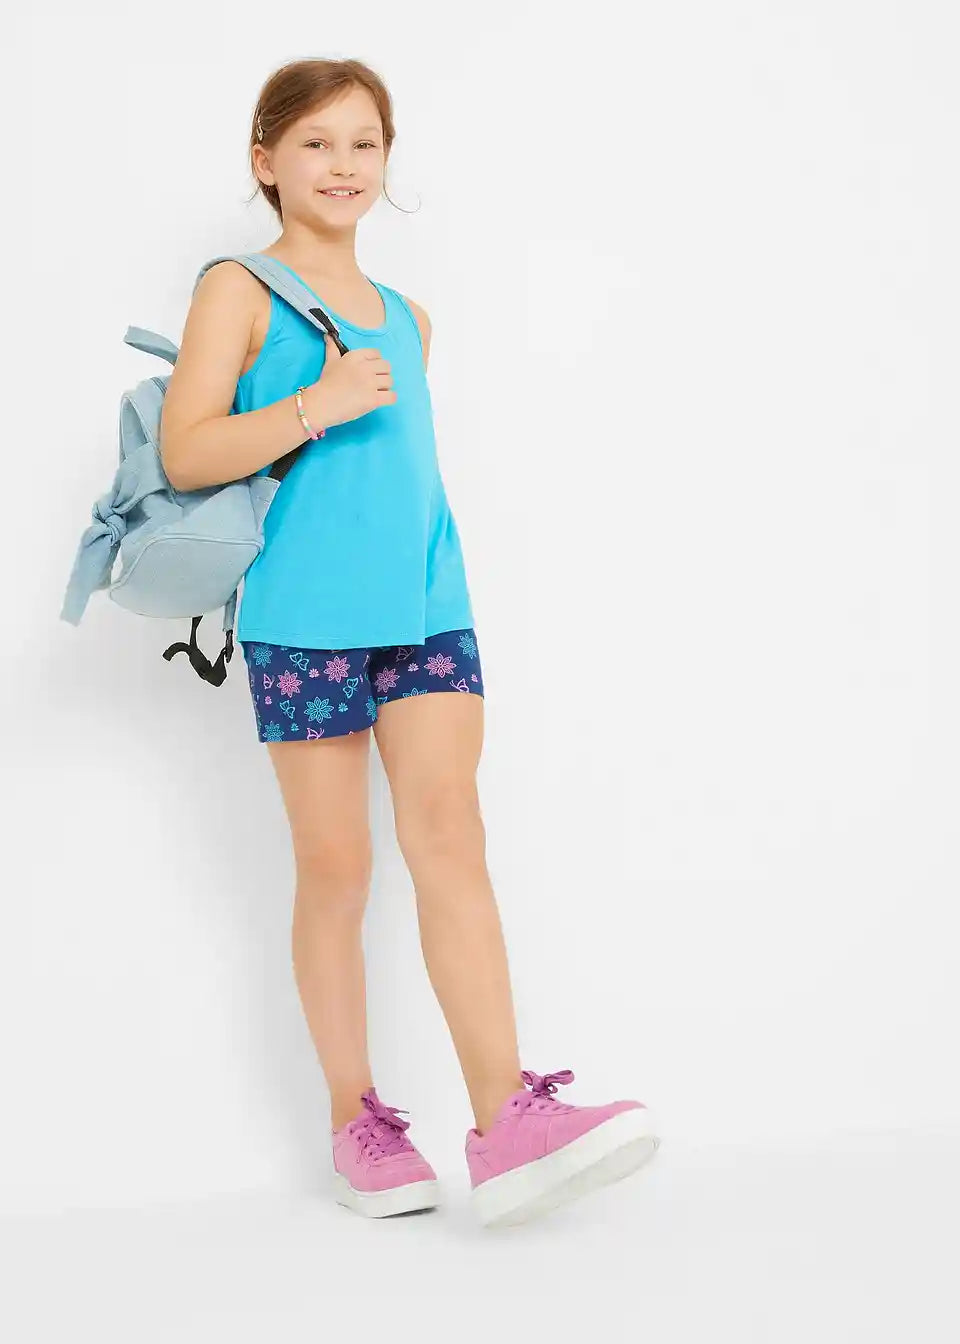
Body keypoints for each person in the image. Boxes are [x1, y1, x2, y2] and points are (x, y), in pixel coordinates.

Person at [159, 56, 659, 1229]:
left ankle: (505, 1120)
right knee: (337, 869)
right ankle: (357, 1123)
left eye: (365, 144)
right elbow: (187, 453)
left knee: (452, 837)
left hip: (429, 605)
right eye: (317, 143)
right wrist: (312, 405)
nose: (344, 165)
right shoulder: (237, 287)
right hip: (304, 621)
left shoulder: (410, 317)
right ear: (265, 160)